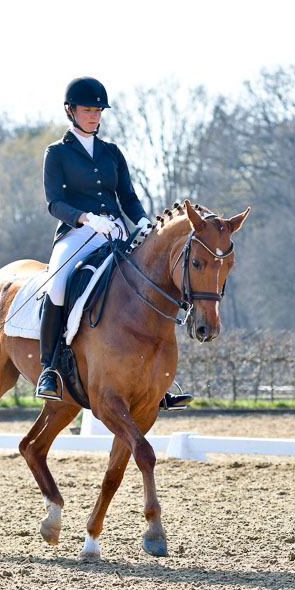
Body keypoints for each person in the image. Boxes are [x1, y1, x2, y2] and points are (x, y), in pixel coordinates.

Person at [36, 76, 192, 411]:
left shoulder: (112, 153)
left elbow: (129, 197)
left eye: (98, 110)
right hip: (77, 233)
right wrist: (86, 219)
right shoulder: (57, 153)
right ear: (71, 111)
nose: (95, 115)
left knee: (147, 283)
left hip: (117, 232)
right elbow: (54, 203)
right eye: (88, 109)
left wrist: (146, 224)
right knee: (59, 284)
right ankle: (48, 368)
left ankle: (155, 379)